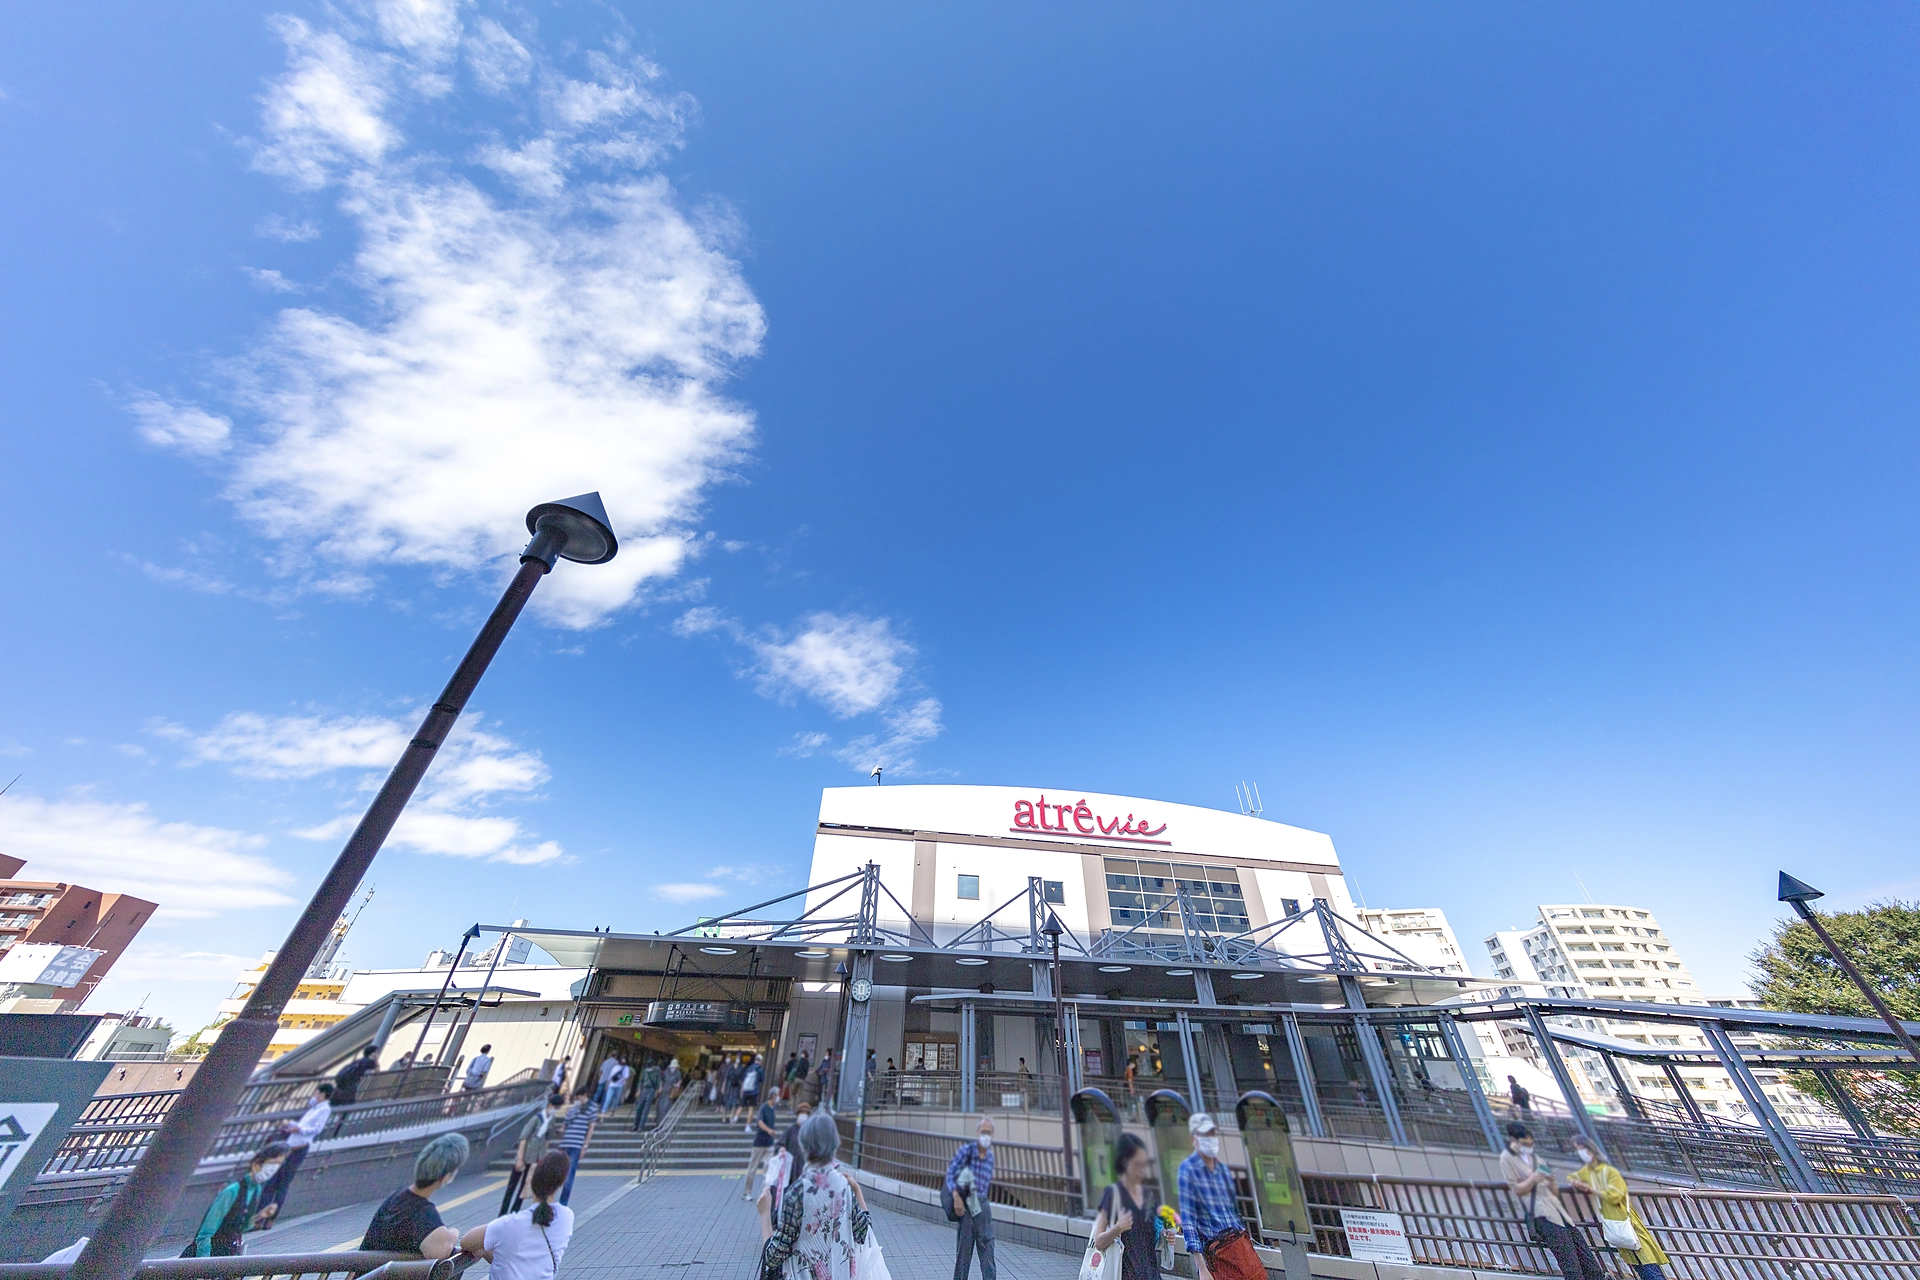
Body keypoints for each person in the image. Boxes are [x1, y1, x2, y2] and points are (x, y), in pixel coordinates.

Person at [760, 1113, 871, 1279]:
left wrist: (764, 1215)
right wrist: (857, 1190)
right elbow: (862, 1235)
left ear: (804, 1145)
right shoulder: (844, 1185)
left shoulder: (798, 1191)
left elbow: (774, 1257)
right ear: (835, 1144)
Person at [1501, 1123, 1605, 1280]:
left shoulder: (1535, 1158)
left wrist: (1550, 1181)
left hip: (1559, 1212)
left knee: (1591, 1265)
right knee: (1571, 1267)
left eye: (1530, 1143)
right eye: (1525, 1143)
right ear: (1514, 1141)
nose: (1529, 1146)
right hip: (1542, 1215)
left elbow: (1554, 1192)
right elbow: (1517, 1189)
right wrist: (1534, 1178)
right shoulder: (1508, 1159)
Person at [461, 1149, 574, 1280]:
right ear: (560, 1184)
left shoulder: (509, 1224)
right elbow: (527, 1262)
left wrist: (486, 1250)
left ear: (530, 1181)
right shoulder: (566, 1217)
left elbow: (466, 1242)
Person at [1567, 1138, 1670, 1280]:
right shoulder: (1591, 1170)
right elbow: (1574, 1177)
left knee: (1647, 1264)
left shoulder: (1608, 1171)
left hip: (1625, 1221)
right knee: (1641, 1264)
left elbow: (1616, 1195)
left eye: (1582, 1148)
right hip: (1616, 1222)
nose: (1581, 1152)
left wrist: (1591, 1188)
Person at [1178, 1112, 1262, 1280]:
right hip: (1216, 1254)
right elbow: (1188, 1222)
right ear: (1194, 1139)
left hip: (1239, 1246)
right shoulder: (1188, 1170)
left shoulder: (1221, 1168)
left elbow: (1233, 1211)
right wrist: (1202, 1269)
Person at [360, 1133, 469, 1259]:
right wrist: (454, 1233)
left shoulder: (395, 1198)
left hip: (365, 1268)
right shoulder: (423, 1213)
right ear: (446, 1177)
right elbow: (441, 1250)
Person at [184, 1142, 288, 1257]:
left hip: (228, 1255)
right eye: (273, 1163)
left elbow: (241, 1227)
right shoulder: (232, 1190)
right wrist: (204, 1264)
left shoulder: (255, 1189)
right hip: (208, 1256)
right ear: (257, 1164)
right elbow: (205, 1234)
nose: (273, 1169)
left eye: (279, 1164)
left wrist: (260, 1215)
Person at [254, 1082, 333, 1228]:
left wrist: (299, 1129)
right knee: (271, 1182)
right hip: (289, 1146)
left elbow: (316, 1129)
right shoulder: (314, 1108)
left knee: (282, 1184)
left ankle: (270, 1219)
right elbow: (303, 1125)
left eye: (316, 1093)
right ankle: (259, 1218)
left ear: (322, 1095)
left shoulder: (324, 1109)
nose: (314, 1095)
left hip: (298, 1149)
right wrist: (291, 1125)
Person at [1092, 1132, 1161, 1279]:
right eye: (1137, 1164)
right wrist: (1117, 1229)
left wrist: (1165, 1236)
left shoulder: (1148, 1195)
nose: (1142, 1169)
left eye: (1144, 1164)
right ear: (1124, 1162)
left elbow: (1151, 1239)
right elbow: (1098, 1242)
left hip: (1152, 1275)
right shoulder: (1113, 1194)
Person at [945, 1116, 997, 1280]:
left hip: (982, 1208)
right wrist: (956, 1196)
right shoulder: (966, 1151)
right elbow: (950, 1174)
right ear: (978, 1132)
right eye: (983, 1132)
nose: (986, 1136)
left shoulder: (990, 1157)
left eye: (989, 1132)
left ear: (992, 1134)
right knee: (963, 1257)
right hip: (967, 1208)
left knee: (988, 1257)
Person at [501, 1092, 564, 1215]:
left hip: (535, 1159)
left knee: (524, 1187)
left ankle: (514, 1212)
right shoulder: (536, 1118)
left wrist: (543, 1158)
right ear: (550, 1105)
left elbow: (547, 1139)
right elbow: (523, 1138)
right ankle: (502, 1213)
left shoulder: (551, 1120)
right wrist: (520, 1159)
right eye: (556, 1107)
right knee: (511, 1187)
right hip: (525, 1155)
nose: (556, 1110)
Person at [553, 1087, 602, 1206]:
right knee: (557, 1173)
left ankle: (563, 1203)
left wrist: (585, 1146)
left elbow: (591, 1128)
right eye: (576, 1097)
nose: (577, 1099)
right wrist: (559, 1130)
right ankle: (551, 1200)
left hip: (576, 1145)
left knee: (569, 1176)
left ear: (585, 1095)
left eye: (579, 1097)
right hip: (565, 1144)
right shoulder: (572, 1109)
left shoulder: (592, 1108)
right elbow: (565, 1126)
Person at [742, 1085, 780, 1199]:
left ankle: (765, 1194)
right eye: (778, 1095)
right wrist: (769, 1130)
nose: (779, 1097)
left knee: (768, 1169)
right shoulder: (764, 1107)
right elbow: (760, 1122)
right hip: (759, 1142)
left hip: (769, 1143)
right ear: (773, 1095)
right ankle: (746, 1192)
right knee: (752, 1168)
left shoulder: (774, 1108)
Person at [633, 1058, 663, 1132]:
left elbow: (658, 1080)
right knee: (639, 1108)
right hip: (644, 1089)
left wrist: (657, 1090)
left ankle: (640, 1127)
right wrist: (639, 1090)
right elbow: (641, 1081)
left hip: (651, 1089)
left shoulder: (657, 1070)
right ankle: (635, 1125)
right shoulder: (645, 1070)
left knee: (646, 1109)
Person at [736, 1053, 762, 1125]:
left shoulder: (748, 1068)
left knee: (741, 1106)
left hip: (746, 1090)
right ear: (760, 1061)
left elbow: (743, 1078)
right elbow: (762, 1079)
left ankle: (735, 1118)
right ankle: (747, 1125)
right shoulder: (760, 1069)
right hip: (754, 1091)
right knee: (751, 1108)